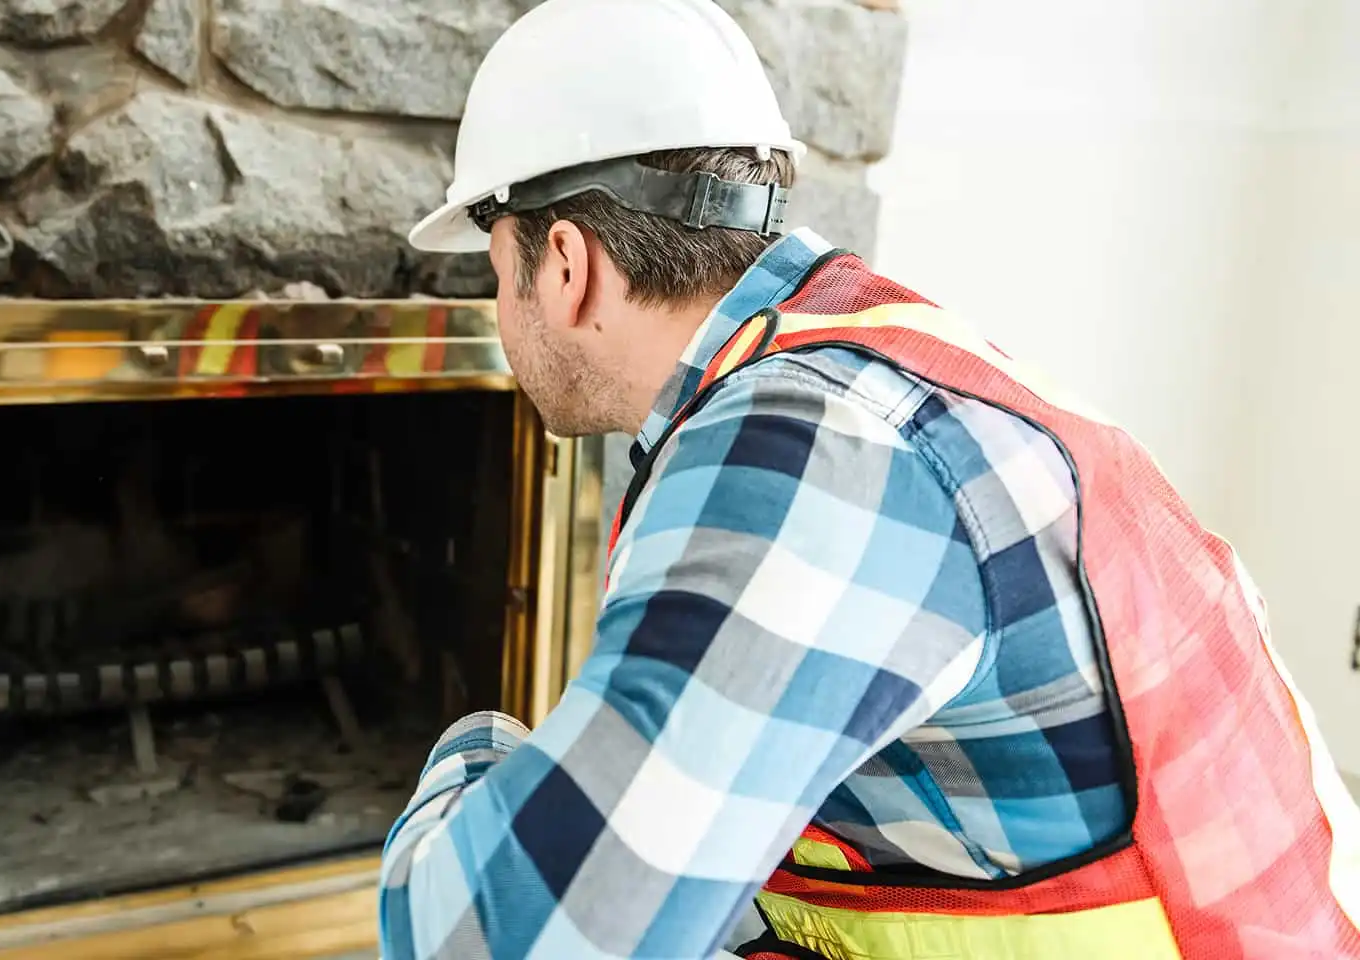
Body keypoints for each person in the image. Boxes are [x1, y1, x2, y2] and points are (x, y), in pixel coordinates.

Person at [377, 0, 1360, 957]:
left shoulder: (807, 450)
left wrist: (481, 748)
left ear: (564, 264)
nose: (501, 308)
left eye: (495, 272)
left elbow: (500, 939)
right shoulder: (863, 364)